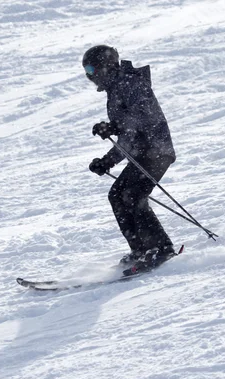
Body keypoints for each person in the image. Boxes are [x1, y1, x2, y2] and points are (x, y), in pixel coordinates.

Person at [82, 45, 177, 266]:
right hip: (145, 152)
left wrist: (113, 131)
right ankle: (141, 250)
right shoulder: (117, 89)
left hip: (156, 150)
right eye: (87, 71)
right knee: (117, 195)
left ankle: (161, 249)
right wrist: (110, 144)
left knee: (133, 195)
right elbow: (129, 130)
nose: (90, 76)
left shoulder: (130, 84)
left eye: (91, 69)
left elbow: (138, 124)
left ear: (105, 66)